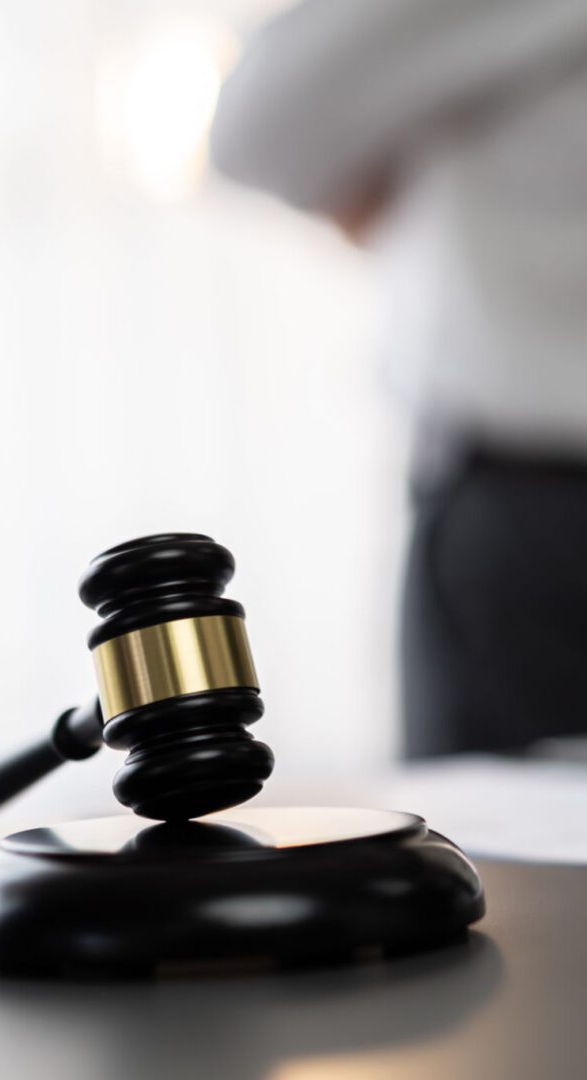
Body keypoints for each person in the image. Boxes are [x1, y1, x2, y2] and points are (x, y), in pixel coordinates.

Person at [210, 0, 587, 757]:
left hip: (531, 526)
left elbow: (256, 125)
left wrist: (394, 171)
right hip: (528, 514)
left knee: (495, 864)